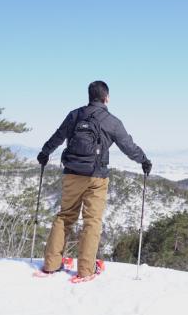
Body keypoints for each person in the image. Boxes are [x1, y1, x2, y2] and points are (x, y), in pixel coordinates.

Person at [35, 80, 152, 282]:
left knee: (64, 216)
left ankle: (51, 264)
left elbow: (57, 137)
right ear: (106, 98)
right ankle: (86, 270)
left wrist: (44, 153)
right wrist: (144, 161)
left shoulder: (75, 115)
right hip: (96, 177)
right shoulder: (111, 121)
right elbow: (128, 146)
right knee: (92, 222)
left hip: (72, 173)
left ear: (89, 96)